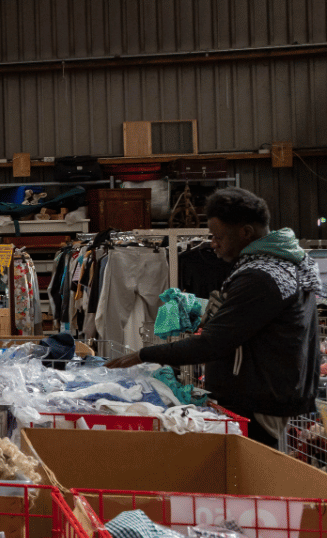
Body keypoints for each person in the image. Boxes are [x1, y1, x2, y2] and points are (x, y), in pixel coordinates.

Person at [107, 188, 321, 449]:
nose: (212, 244)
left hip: (258, 400)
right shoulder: (284, 263)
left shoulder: (260, 277)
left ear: (246, 232)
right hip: (274, 392)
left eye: (218, 236)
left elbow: (213, 343)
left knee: (255, 476)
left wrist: (143, 355)